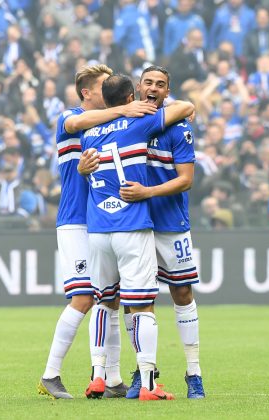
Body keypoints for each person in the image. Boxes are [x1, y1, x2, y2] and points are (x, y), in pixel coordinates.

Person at [38, 64, 158, 400]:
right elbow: (73, 125)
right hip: (75, 220)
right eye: (103, 86)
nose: (108, 92)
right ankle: (50, 374)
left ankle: (114, 379)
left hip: (102, 222)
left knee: (111, 299)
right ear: (87, 92)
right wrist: (124, 109)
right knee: (83, 298)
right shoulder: (71, 117)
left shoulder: (109, 125)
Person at [81, 74, 194, 401]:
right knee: (142, 305)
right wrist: (184, 106)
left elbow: (87, 170)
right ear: (132, 97)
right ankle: (148, 384)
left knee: (103, 302)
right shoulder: (139, 123)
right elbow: (183, 108)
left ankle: (98, 376)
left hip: (98, 229)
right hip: (131, 225)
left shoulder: (89, 133)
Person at [111, 65, 205, 399]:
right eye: (148, 82)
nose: (153, 88)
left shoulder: (178, 129)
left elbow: (186, 180)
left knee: (182, 294)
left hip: (170, 223)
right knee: (137, 300)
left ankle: (194, 372)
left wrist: (147, 193)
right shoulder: (124, 123)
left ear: (167, 92)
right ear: (138, 88)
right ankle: (144, 370)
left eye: (160, 84)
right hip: (135, 224)